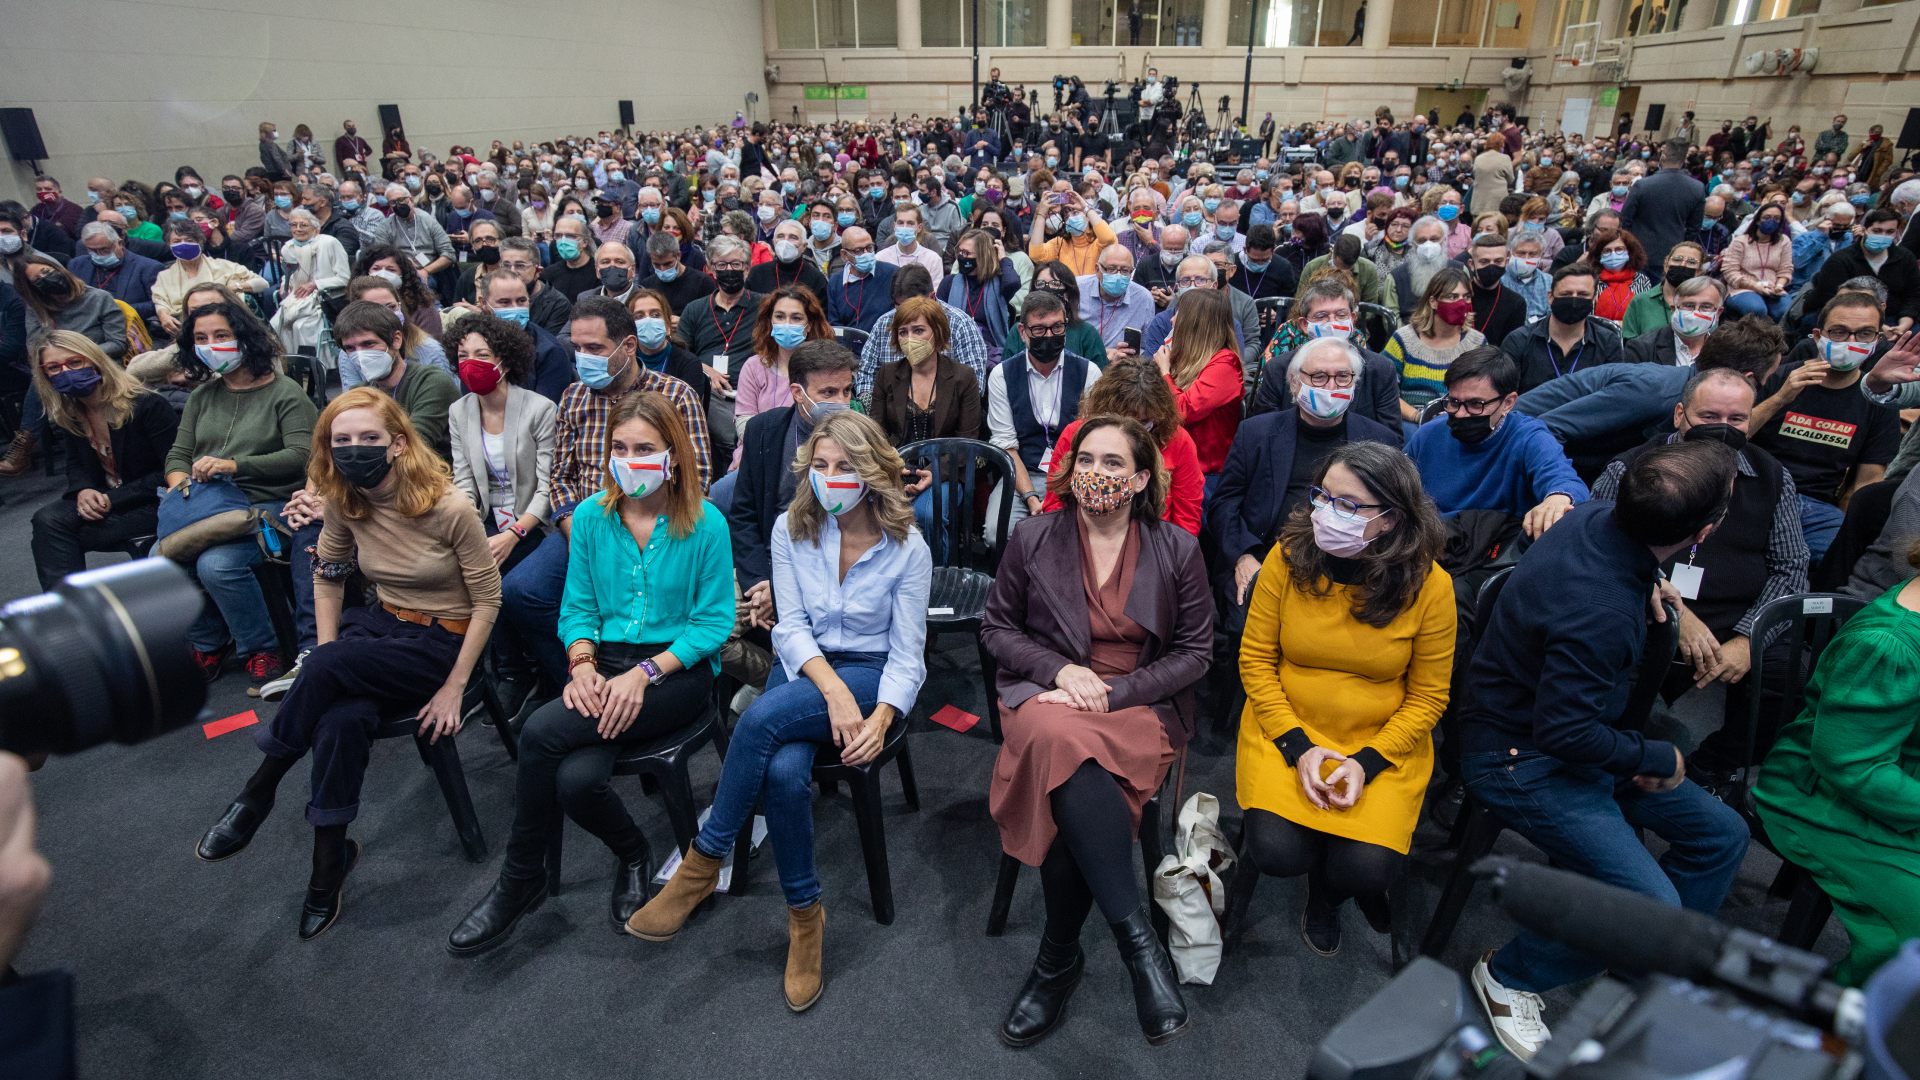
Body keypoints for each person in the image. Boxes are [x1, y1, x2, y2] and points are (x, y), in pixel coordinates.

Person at [626, 409, 930, 1008]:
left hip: (870, 673)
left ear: (871, 471)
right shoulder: (792, 529)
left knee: (759, 719)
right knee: (786, 771)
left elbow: (908, 656)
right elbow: (789, 628)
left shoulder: (908, 548)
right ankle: (804, 917)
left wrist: (882, 715)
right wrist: (832, 692)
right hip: (808, 664)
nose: (829, 477)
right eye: (819, 465)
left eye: (844, 466)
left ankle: (701, 863)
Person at [1461, 439, 1753, 1061]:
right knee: (1650, 902)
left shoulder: (1599, 515)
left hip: (1583, 730)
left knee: (1723, 836)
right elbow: (1564, 735)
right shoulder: (1600, 611)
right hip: (1522, 758)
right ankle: (1512, 977)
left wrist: (1648, 580)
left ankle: (1646, 958)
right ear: (1702, 533)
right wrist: (1654, 760)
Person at [194, 387, 498, 939]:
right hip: (377, 627)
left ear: (399, 444)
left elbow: (487, 600)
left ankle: (260, 788)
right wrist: (326, 653)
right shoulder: (345, 498)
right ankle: (327, 863)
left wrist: (456, 687)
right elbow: (328, 575)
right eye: (342, 441)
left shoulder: (449, 507)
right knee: (340, 719)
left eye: (368, 439)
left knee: (329, 670)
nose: (354, 449)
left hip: (439, 641)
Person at [448, 391, 729, 954]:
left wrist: (645, 672)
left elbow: (714, 623)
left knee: (541, 732)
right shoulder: (593, 518)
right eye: (620, 448)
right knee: (575, 780)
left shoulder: (705, 523)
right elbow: (577, 608)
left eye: (645, 448)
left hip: (679, 670)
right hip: (605, 665)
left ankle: (519, 878)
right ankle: (633, 853)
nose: (631, 459)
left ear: (672, 454)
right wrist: (579, 666)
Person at [982, 416, 1212, 1048]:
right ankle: (1138, 947)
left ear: (1141, 479)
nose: (1097, 474)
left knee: (1068, 782)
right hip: (1046, 693)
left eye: (1114, 464)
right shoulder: (1033, 538)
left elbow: (1195, 654)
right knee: (1059, 737)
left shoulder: (1177, 549)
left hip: (1137, 704)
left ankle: (1057, 961)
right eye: (1087, 459)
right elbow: (998, 631)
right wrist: (1059, 670)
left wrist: (1114, 691)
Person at [1235, 441, 1452, 954]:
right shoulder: (1287, 558)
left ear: (1392, 519)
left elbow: (1428, 697)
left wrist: (1367, 763)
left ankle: (1327, 896)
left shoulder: (1431, 586)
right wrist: (1299, 748)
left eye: (1350, 506)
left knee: (1366, 869)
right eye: (1322, 497)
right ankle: (1321, 867)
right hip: (1285, 727)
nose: (1327, 514)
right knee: (1276, 852)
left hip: (1381, 742)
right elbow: (1256, 663)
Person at [1591, 366, 1806, 781]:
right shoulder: (1631, 469)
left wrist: (1748, 638)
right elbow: (1598, 551)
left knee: (1790, 669)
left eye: (1736, 419)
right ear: (1679, 414)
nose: (1723, 429)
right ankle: (1619, 762)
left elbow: (1791, 567)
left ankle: (1711, 766)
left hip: (1735, 616)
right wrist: (1678, 616)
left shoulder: (1773, 477)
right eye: (1709, 417)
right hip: (1647, 605)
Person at [498, 296, 711, 688]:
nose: (583, 358)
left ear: (627, 346)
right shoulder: (574, 396)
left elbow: (697, 477)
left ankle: (633, 673)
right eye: (577, 348)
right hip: (582, 526)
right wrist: (574, 527)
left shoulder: (675, 395)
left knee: (628, 598)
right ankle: (577, 677)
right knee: (521, 592)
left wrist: (636, 531)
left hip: (652, 526)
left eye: (595, 348)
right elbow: (560, 476)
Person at [1755, 542, 1920, 986]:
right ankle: (1844, 1021)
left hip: (1894, 784)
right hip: (1823, 797)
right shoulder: (1887, 645)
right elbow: (1853, 766)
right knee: (1913, 933)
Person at [1208, 336, 1401, 636]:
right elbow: (1225, 504)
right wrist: (1242, 557)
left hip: (1351, 564)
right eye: (1319, 377)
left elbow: (1392, 514)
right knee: (1242, 628)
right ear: (1296, 384)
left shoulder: (1379, 440)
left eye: (1342, 377)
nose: (1331, 387)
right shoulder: (1255, 433)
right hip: (1262, 558)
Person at [1749, 292, 1901, 561]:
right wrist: (1781, 398)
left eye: (1864, 334)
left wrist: (1848, 531)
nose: (1851, 342)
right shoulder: (1781, 375)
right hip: (1757, 491)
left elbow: (1868, 482)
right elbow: (1733, 436)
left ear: (1877, 341)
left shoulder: (1878, 398)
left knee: (1837, 559)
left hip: (1817, 508)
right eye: (1840, 332)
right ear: (1819, 336)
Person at [26, 331, 179, 589]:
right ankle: (70, 610)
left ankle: (69, 612)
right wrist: (83, 489)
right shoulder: (71, 411)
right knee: (47, 520)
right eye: (54, 368)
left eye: (75, 363)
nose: (65, 372)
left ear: (95, 361)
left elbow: (172, 469)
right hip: (107, 497)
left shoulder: (146, 405)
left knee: (57, 534)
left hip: (156, 500)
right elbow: (75, 464)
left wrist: (111, 499)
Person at [1406, 347, 1588, 539]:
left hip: (1491, 553)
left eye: (1476, 404)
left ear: (1508, 402)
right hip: (1430, 542)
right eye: (1453, 402)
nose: (1460, 413)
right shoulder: (1429, 433)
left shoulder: (1528, 438)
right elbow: (1391, 483)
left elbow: (1565, 481)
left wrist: (1558, 498)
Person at [445, 311, 557, 578]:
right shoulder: (458, 411)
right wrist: (471, 531)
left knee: (510, 580)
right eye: (463, 356)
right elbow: (464, 481)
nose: (471, 363)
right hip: (484, 518)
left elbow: (547, 488)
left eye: (482, 355)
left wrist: (513, 534)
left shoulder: (540, 409)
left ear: (504, 363)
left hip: (531, 523)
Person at [1041, 358, 1206, 536]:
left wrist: (1170, 558)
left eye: (1142, 422)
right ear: (1104, 412)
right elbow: (1055, 505)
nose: (1132, 432)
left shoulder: (1178, 440)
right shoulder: (1076, 434)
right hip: (1081, 538)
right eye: (1122, 420)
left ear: (1158, 415)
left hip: (1154, 545)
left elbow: (1187, 522)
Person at [987, 291, 1101, 535]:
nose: (1049, 336)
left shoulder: (1088, 372)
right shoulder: (1001, 375)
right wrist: (1030, 497)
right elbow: (1006, 445)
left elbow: (1092, 440)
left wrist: (1058, 494)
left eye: (1057, 327)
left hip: (1071, 472)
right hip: (1022, 471)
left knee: (1067, 533)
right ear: (1022, 332)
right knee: (996, 532)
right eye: (1039, 330)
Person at [1152, 287, 1242, 483]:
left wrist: (1165, 373)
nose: (1172, 320)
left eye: (1178, 314)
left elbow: (1182, 411)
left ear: (1194, 322)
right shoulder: (1184, 357)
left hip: (1205, 477)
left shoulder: (1226, 363)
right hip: (1168, 468)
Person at [1385, 267, 1485, 432]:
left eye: (1466, 297)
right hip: (1412, 422)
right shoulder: (1403, 340)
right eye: (1452, 297)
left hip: (1460, 421)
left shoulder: (1477, 342)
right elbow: (1386, 392)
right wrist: (1420, 416)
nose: (1461, 303)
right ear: (1433, 301)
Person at [734, 285, 834, 448]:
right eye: (780, 317)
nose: (786, 324)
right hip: (755, 455)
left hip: (809, 457)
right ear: (770, 322)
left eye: (796, 318)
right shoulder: (753, 367)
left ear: (808, 325)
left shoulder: (825, 370)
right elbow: (744, 425)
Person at [1501, 265, 1624, 391]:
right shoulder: (1519, 341)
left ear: (1594, 300)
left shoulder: (1608, 343)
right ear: (1550, 297)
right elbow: (1505, 394)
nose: (1574, 299)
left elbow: (1614, 393)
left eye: (1583, 295)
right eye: (1566, 294)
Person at [1805, 210, 1918, 335]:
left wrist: (1904, 324)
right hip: (1850, 319)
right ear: (1864, 230)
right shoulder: (1841, 260)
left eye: (1890, 232)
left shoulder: (1905, 257)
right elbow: (1831, 299)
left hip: (1897, 318)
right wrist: (1879, 327)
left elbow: (1913, 295)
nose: (1883, 236)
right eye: (1877, 231)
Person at [15, 255, 127, 362]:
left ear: (58, 269)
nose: (46, 278)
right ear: (33, 288)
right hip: (57, 368)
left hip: (101, 365)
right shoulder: (36, 308)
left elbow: (118, 344)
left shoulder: (99, 298)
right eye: (37, 280)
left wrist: (77, 356)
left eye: (46, 271)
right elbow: (34, 350)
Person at [1620, 140, 1705, 266]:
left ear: (1663, 157)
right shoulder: (1697, 188)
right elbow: (1694, 228)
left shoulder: (1642, 185)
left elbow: (1625, 219)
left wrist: (1627, 245)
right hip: (1672, 251)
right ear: (1684, 160)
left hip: (1638, 249)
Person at [68, 222, 162, 327]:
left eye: (104, 249)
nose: (99, 255)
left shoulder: (148, 268)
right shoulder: (77, 265)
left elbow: (157, 305)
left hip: (130, 326)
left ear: (120, 243)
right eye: (92, 250)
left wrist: (117, 308)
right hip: (87, 325)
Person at [1623, 276, 1724, 367]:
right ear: (1673, 309)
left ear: (1718, 313)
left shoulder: (1726, 350)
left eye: (1706, 307)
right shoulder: (1642, 348)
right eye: (1688, 305)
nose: (1696, 313)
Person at [1079, 243, 1155, 358]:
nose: (1118, 276)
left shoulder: (1143, 299)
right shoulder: (1077, 289)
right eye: (1111, 269)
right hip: (1082, 362)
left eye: (1125, 270)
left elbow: (1146, 347)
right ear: (1097, 269)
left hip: (1121, 369)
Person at [1619, 241, 1707, 340]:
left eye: (1691, 262)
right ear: (1666, 265)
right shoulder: (1640, 301)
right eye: (1677, 259)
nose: (1682, 265)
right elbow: (1629, 342)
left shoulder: (1706, 305)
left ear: (1700, 272)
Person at [1721, 203, 1794, 321]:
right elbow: (1730, 272)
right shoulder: (1741, 241)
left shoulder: (1784, 241)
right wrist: (1755, 286)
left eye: (1776, 219)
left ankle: (1777, 338)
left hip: (1772, 288)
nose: (1772, 221)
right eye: (1767, 217)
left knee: (1786, 310)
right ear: (1758, 220)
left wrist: (1779, 286)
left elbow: (1786, 269)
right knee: (1757, 309)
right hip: (1743, 287)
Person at [827, 226, 897, 335]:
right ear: (844, 255)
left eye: (869, 248)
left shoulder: (893, 273)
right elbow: (835, 325)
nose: (866, 254)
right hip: (847, 348)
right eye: (858, 251)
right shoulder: (835, 282)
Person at [749, 218, 830, 302]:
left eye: (793, 237)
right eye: (780, 236)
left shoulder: (816, 279)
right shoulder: (757, 273)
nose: (785, 241)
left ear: (804, 246)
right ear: (774, 242)